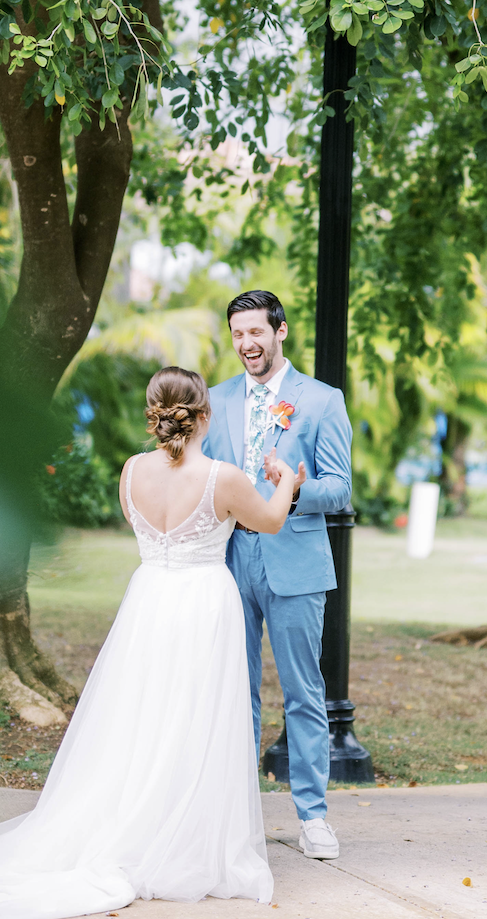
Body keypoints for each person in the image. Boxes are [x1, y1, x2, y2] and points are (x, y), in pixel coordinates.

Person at [0, 367, 299, 919]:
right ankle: (180, 838)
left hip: (149, 600)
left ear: (154, 414)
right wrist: (285, 478)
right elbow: (271, 521)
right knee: (194, 719)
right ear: (203, 415)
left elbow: (152, 531)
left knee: (139, 718)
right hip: (203, 604)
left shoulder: (131, 472)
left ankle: (132, 822)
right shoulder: (225, 477)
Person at [201, 290, 353, 860]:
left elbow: (340, 488)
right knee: (232, 692)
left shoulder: (321, 400)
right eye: (238, 335)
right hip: (228, 562)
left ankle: (313, 816)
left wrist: (292, 488)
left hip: (295, 561)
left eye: (256, 333)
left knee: (303, 692)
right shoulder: (215, 401)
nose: (247, 345)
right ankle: (235, 813)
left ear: (280, 331)